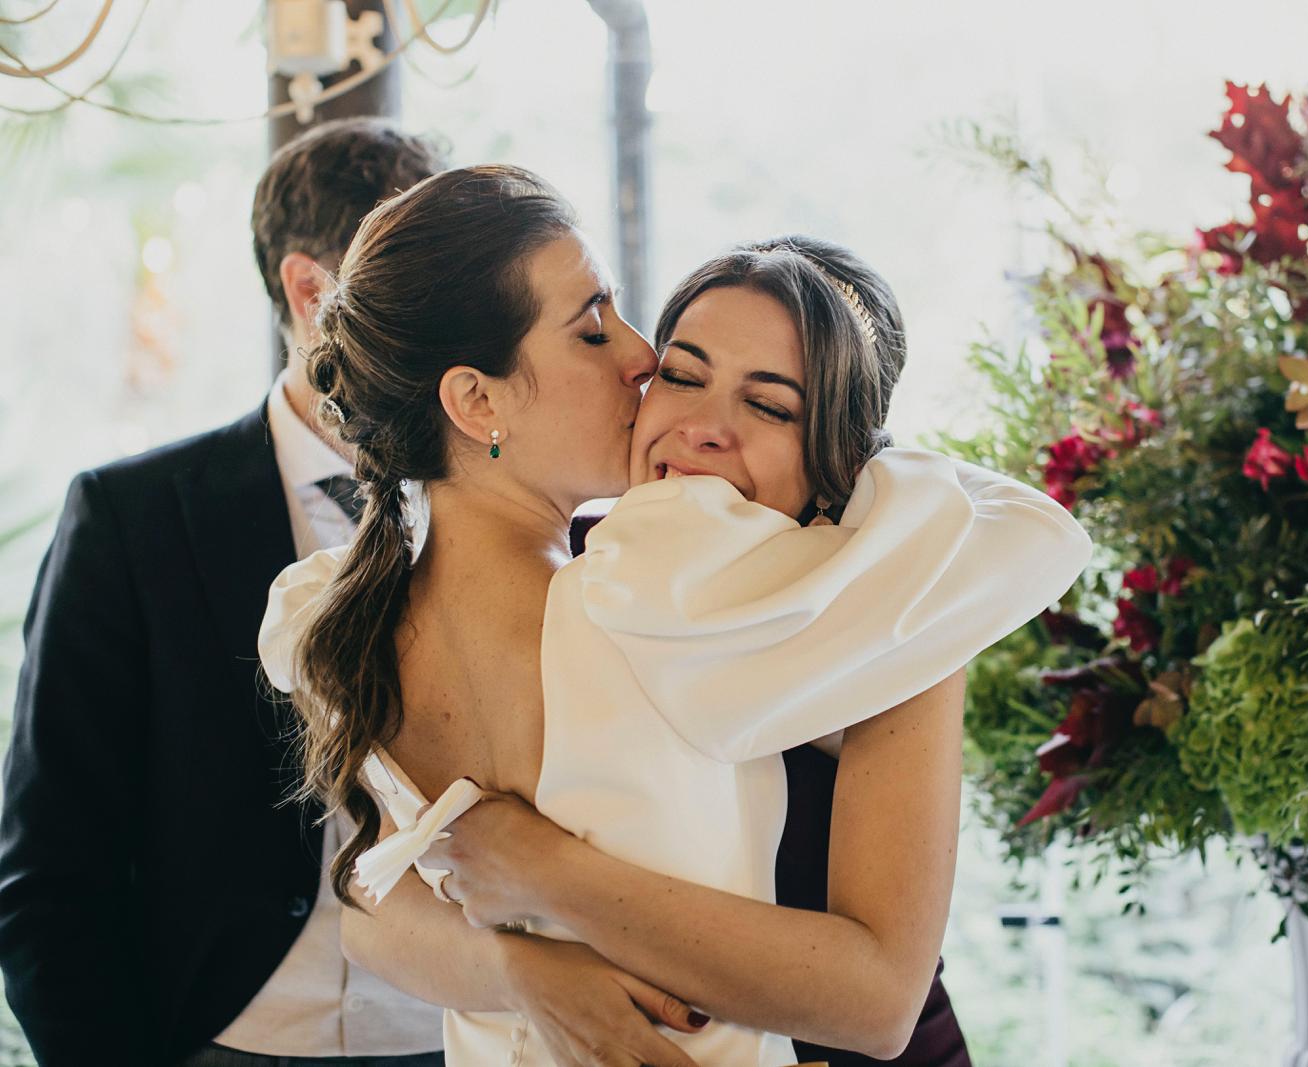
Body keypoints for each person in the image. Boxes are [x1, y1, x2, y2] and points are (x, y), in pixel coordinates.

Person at [257, 164, 1090, 1065]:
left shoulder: (880, 607)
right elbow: (376, 904)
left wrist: (548, 876)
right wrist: (519, 967)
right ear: (476, 400)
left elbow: (880, 998)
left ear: (844, 449)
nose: (642, 364)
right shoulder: (629, 591)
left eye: (772, 403)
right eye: (677, 368)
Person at [0, 117, 450, 1066]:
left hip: (468, 1035)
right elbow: (50, 867)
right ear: (308, 288)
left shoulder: (514, 506)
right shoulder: (132, 518)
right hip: (223, 1037)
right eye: (421, 287)